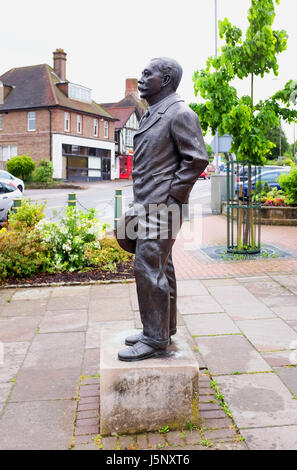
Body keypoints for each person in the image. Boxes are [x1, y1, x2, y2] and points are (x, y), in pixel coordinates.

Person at [117, 57, 208, 361]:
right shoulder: (154, 112)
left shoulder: (180, 113)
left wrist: (173, 198)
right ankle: (161, 330)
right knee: (161, 266)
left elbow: (196, 159)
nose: (141, 79)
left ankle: (154, 339)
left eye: (147, 74)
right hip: (149, 204)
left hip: (164, 208)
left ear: (165, 80)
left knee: (147, 266)